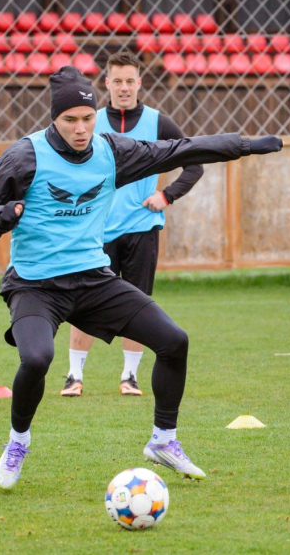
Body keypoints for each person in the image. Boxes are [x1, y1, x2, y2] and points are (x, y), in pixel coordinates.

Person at [0, 66, 283, 489]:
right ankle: (18, 441)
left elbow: (178, 150)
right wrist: (2, 217)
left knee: (174, 341)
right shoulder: (25, 156)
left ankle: (163, 440)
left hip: (93, 279)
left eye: (87, 118)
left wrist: (243, 146)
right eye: (70, 120)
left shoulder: (110, 151)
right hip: (36, 285)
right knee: (37, 358)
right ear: (53, 119)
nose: (81, 128)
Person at [61, 51, 205, 398]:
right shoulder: (88, 121)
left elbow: (195, 164)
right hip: (95, 232)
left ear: (139, 84)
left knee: (138, 303)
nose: (124, 88)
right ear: (106, 83)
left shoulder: (158, 122)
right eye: (117, 81)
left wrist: (166, 196)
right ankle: (74, 376)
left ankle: (130, 377)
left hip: (141, 228)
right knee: (83, 301)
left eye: (130, 81)